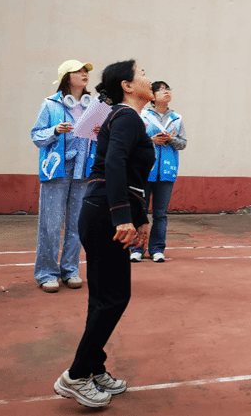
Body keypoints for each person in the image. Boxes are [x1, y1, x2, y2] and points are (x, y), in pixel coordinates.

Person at [54, 60, 155, 408]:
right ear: (127, 85)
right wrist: (122, 218)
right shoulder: (126, 117)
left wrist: (140, 217)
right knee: (114, 297)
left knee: (102, 298)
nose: (149, 78)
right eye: (143, 73)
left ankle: (94, 367)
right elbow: (113, 164)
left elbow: (131, 177)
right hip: (105, 215)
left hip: (102, 211)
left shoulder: (125, 117)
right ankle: (76, 375)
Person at [31, 60, 95, 293]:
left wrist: (101, 133)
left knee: (78, 224)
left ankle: (70, 270)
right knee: (50, 223)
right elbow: (37, 136)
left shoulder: (93, 106)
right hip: (56, 169)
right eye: (79, 71)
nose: (84, 74)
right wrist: (55, 130)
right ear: (66, 77)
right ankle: (46, 273)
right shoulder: (50, 104)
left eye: (86, 71)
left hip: (83, 170)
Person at [131, 81, 187, 263]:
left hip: (167, 171)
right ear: (153, 96)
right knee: (140, 210)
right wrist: (150, 140)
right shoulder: (142, 115)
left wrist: (170, 139)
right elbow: (133, 140)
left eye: (167, 89)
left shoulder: (177, 118)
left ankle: (157, 249)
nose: (166, 92)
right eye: (161, 90)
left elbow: (183, 144)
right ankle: (136, 248)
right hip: (144, 170)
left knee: (160, 213)